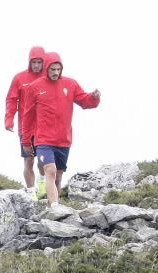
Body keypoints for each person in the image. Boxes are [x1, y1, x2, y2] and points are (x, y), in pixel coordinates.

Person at [19, 53, 100, 207]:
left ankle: (51, 207)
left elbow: (85, 101)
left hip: (64, 140)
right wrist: (26, 141)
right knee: (50, 170)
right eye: (52, 69)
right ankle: (56, 207)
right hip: (43, 140)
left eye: (58, 69)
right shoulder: (34, 87)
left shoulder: (70, 84)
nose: (56, 72)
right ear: (46, 69)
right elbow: (27, 117)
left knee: (58, 176)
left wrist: (94, 97)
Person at [5, 46, 46, 196]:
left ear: (44, 62)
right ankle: (31, 193)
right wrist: (9, 119)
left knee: (43, 160)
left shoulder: (49, 78)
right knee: (29, 160)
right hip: (26, 127)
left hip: (44, 127)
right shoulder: (19, 78)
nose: (36, 65)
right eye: (33, 62)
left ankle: (42, 185)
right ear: (29, 62)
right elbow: (11, 99)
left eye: (39, 62)